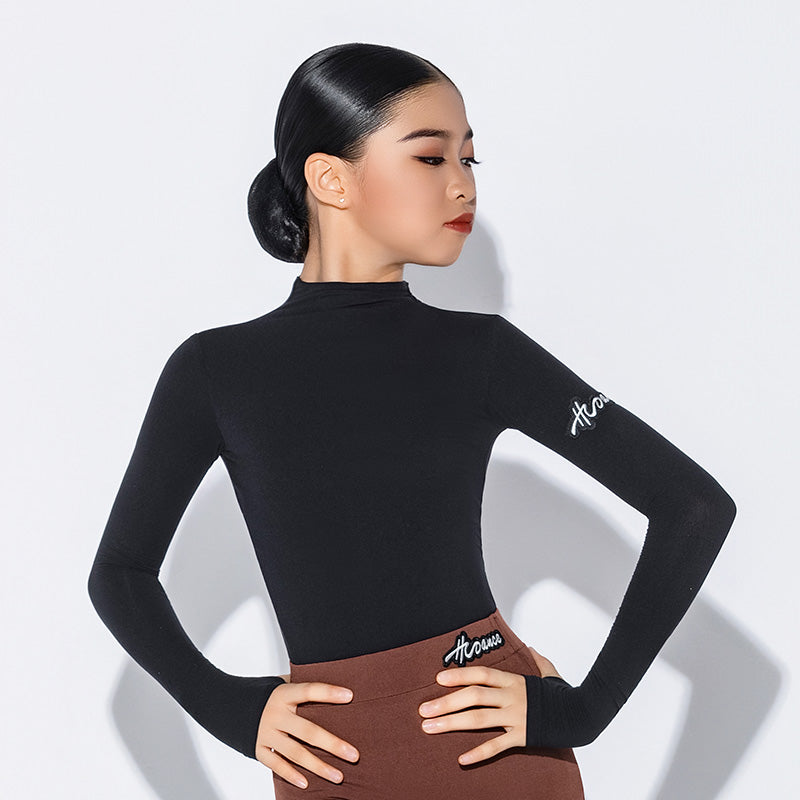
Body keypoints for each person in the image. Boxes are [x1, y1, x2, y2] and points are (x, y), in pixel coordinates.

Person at [87, 43, 737, 800]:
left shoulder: (484, 352)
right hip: (328, 765)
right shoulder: (215, 371)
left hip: (495, 759)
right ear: (330, 178)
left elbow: (694, 507)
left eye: (469, 159)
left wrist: (584, 711)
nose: (463, 184)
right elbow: (120, 574)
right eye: (431, 158)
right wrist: (230, 708)